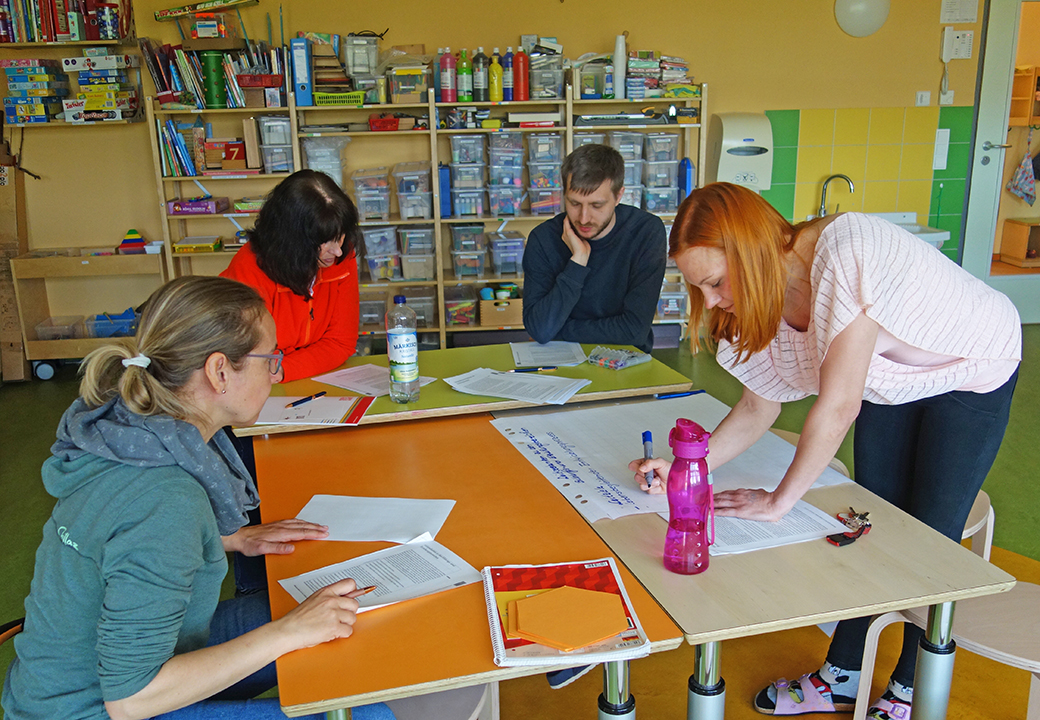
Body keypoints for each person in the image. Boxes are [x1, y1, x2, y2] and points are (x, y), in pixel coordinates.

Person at [630, 183, 1021, 718]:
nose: (714, 301)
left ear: (751, 250)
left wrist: (779, 501)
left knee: (930, 535)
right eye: (703, 290)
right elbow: (756, 408)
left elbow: (837, 408)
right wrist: (684, 468)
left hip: (973, 369)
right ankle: (841, 673)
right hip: (891, 378)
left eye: (717, 282)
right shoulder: (762, 298)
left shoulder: (845, 255)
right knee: (872, 523)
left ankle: (910, 686)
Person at [1, 276, 394, 720]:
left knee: (323, 611)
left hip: (95, 665)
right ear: (219, 371)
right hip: (95, 707)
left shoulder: (129, 431)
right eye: (270, 359)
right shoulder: (166, 500)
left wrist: (225, 538)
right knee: (367, 715)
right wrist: (287, 633)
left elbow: (115, 536)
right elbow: (130, 699)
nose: (277, 373)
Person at [522, 143, 667, 353]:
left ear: (619, 196)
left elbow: (634, 330)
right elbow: (540, 329)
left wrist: (560, 331)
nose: (583, 218)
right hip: (559, 358)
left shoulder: (646, 232)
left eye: (596, 205)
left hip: (624, 358)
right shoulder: (543, 239)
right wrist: (578, 262)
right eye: (574, 203)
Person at [221, 169, 361, 384]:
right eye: (324, 243)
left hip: (306, 380)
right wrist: (282, 368)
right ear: (292, 242)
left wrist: (285, 367)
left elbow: (342, 342)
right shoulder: (247, 270)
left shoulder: (341, 255)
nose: (338, 251)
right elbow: (250, 363)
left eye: (339, 237)